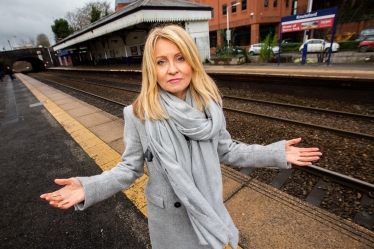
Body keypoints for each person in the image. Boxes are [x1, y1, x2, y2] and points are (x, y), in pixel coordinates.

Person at [40, 25, 322, 249]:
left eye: (180, 58)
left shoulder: (210, 105)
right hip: (170, 222)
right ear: (152, 69)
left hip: (205, 206)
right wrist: (88, 187)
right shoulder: (139, 113)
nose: (172, 69)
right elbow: (129, 168)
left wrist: (274, 153)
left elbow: (228, 150)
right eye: (161, 62)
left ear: (192, 61)